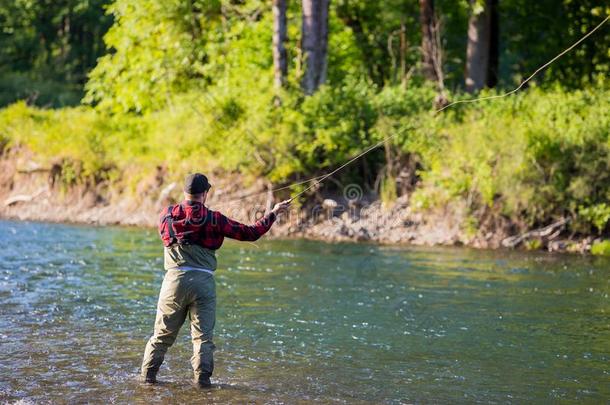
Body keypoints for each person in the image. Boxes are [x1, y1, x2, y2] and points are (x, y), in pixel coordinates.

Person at [140, 173, 291, 388]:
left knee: (162, 335)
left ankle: (147, 381)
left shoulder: (166, 215)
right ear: (205, 193)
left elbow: (177, 233)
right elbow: (251, 233)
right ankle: (203, 385)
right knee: (202, 339)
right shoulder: (215, 219)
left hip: (174, 281)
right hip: (204, 283)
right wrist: (274, 214)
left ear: (185, 192)